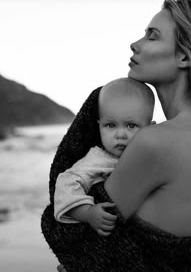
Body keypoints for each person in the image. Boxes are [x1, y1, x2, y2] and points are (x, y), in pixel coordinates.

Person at [42, 0, 191, 272]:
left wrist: (96, 105)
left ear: (184, 56)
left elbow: (75, 236)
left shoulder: (156, 142)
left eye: (152, 36)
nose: (135, 44)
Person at [53, 78, 155, 236]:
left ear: (150, 128)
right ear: (99, 125)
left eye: (131, 125)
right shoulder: (98, 160)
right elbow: (65, 184)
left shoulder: (156, 155)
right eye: (110, 125)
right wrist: (88, 213)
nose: (120, 135)